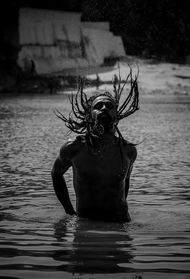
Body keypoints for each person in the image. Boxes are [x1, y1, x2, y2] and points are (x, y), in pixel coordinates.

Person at [52, 70, 140, 222]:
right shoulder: (74, 148)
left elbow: (124, 182)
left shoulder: (128, 151)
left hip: (120, 223)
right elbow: (56, 173)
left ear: (117, 116)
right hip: (87, 223)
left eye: (109, 106)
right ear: (89, 116)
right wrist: (69, 211)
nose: (104, 108)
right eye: (99, 106)